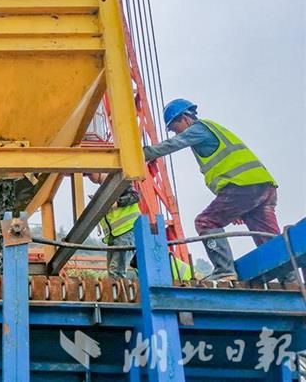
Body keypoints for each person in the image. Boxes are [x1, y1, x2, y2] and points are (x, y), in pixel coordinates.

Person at [143, 98, 279, 281]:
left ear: (185, 118)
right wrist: (240, 206)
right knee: (269, 239)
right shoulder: (213, 128)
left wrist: (145, 153)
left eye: (175, 128)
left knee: (205, 222)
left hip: (242, 186)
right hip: (262, 186)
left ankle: (225, 271)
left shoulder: (199, 129)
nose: (176, 133)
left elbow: (174, 144)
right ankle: (291, 279)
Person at [88, 173, 140, 279]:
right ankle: (116, 293)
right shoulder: (104, 191)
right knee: (113, 272)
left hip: (126, 231)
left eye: (89, 173)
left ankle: (117, 294)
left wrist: (118, 203)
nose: (89, 177)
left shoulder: (118, 184)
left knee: (116, 272)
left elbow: (135, 196)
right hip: (114, 235)